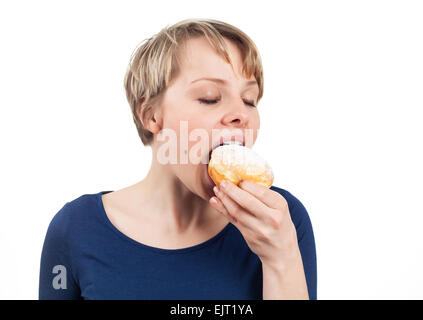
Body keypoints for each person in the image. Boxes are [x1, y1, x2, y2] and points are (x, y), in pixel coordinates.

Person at [39, 18, 317, 300]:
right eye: (210, 97)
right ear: (151, 116)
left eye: (249, 99)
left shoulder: (281, 221)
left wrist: (281, 260)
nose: (241, 114)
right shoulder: (75, 229)